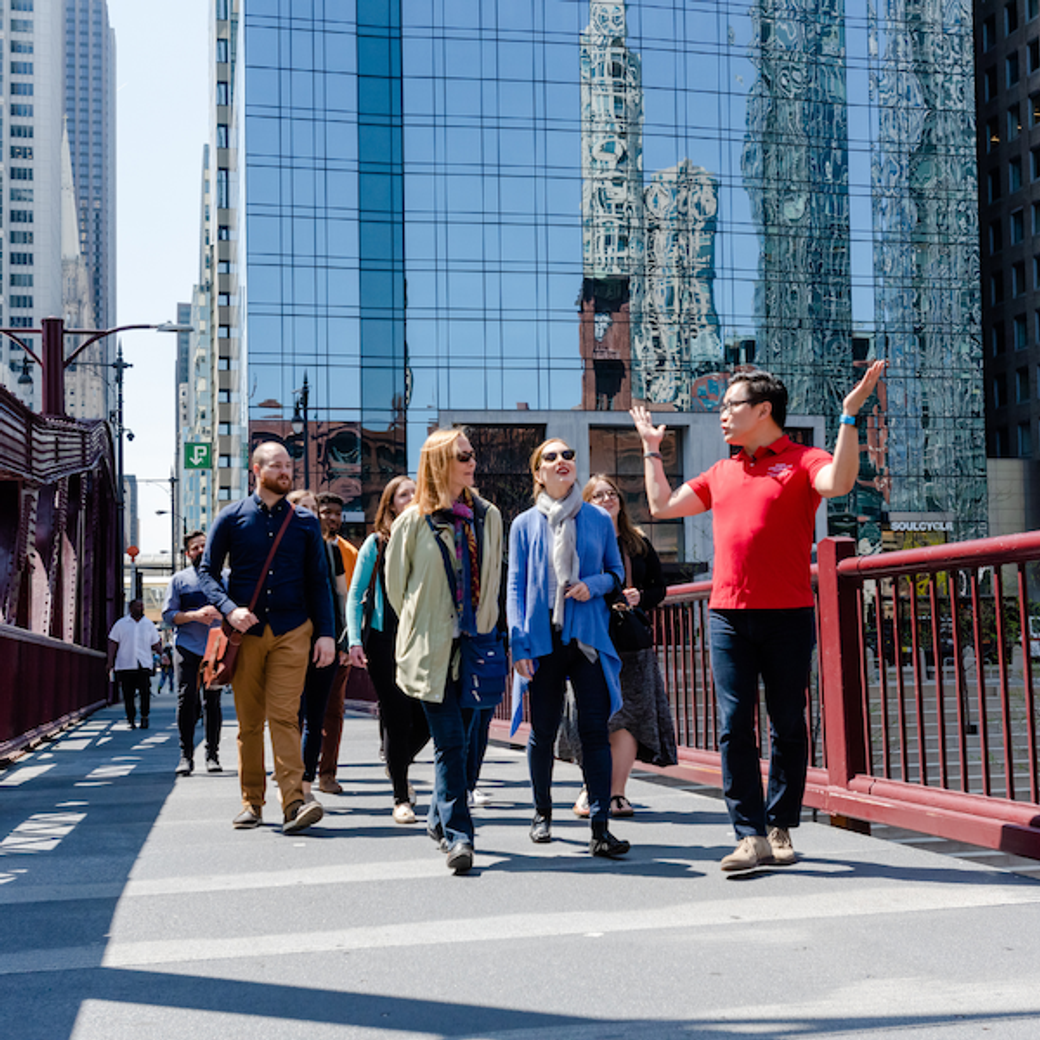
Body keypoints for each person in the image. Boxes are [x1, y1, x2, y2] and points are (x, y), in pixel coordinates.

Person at [631, 361, 886, 871]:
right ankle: (748, 835)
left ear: (763, 410)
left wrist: (849, 416)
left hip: (788, 612)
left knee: (787, 723)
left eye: (731, 406)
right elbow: (660, 505)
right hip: (727, 614)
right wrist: (651, 449)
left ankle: (780, 827)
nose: (722, 414)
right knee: (732, 725)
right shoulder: (722, 471)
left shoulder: (802, 460)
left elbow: (839, 482)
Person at [199, 441, 335, 835]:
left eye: (288, 465)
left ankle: (294, 802)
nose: (285, 471)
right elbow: (207, 571)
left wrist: (326, 635)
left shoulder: (306, 522)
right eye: (276, 466)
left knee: (285, 716)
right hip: (248, 632)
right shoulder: (231, 518)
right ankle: (251, 802)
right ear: (255, 471)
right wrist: (229, 608)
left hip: (294, 631)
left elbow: (319, 582)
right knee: (250, 722)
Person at [385, 431, 502, 874]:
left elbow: (492, 577)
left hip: (476, 648)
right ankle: (460, 836)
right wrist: (427, 622)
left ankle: (437, 819)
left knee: (466, 743)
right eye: (462, 456)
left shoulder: (487, 517)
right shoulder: (412, 522)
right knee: (451, 742)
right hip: (431, 650)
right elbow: (397, 590)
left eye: (472, 455)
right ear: (438, 463)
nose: (472, 462)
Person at [507, 438, 631, 859]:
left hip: (588, 637)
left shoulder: (597, 519)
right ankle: (542, 812)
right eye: (551, 457)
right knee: (543, 730)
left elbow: (616, 574)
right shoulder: (524, 524)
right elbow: (516, 588)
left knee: (594, 731)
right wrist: (518, 643)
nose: (563, 461)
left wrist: (590, 585)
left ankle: (600, 827)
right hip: (541, 639)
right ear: (538, 473)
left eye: (569, 455)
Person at [569, 474, 676, 818]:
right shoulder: (578, 537)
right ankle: (590, 787)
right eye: (598, 495)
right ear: (586, 502)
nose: (607, 499)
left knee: (629, 717)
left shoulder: (637, 541)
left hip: (632, 641)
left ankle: (616, 793)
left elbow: (660, 588)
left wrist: (640, 596)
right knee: (594, 715)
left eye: (611, 494)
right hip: (591, 639)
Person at [346, 475, 430, 823]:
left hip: (421, 641)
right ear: (391, 504)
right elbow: (355, 595)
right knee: (396, 718)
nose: (410, 498)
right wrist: (353, 640)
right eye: (402, 494)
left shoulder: (428, 538)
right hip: (384, 641)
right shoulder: (376, 543)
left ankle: (397, 763)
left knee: (426, 718)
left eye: (415, 493)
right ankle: (401, 798)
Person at [287, 489, 344, 803]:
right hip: (288, 643)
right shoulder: (281, 549)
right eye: (303, 507)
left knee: (316, 716)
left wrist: (343, 640)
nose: (310, 513)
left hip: (324, 642)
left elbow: (340, 598)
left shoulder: (331, 550)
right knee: (289, 716)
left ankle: (307, 782)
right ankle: (290, 775)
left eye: (314, 508)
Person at [162, 529, 224, 775]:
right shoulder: (179, 580)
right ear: (188, 554)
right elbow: (168, 616)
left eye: (204, 546)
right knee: (186, 699)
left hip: (215, 647)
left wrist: (223, 612)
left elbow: (239, 608)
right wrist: (195, 616)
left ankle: (212, 755)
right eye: (195, 548)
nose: (200, 550)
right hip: (187, 646)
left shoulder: (226, 577)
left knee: (213, 701)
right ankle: (186, 755)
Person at [315, 491, 358, 795]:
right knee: (296, 712)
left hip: (337, 642)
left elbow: (352, 602)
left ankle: (327, 773)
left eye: (337, 513)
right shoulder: (301, 547)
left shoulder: (349, 552)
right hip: (300, 641)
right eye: (326, 511)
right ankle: (294, 769)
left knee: (333, 711)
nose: (332, 518)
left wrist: (349, 643)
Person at [108, 598, 162, 730]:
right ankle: (130, 718)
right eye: (138, 606)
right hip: (126, 664)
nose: (141, 609)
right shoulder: (121, 624)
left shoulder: (149, 625)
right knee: (128, 694)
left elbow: (155, 643)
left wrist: (163, 655)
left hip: (143, 664)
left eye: (142, 606)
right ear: (131, 608)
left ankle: (144, 717)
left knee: (145, 693)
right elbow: (113, 643)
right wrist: (110, 661)